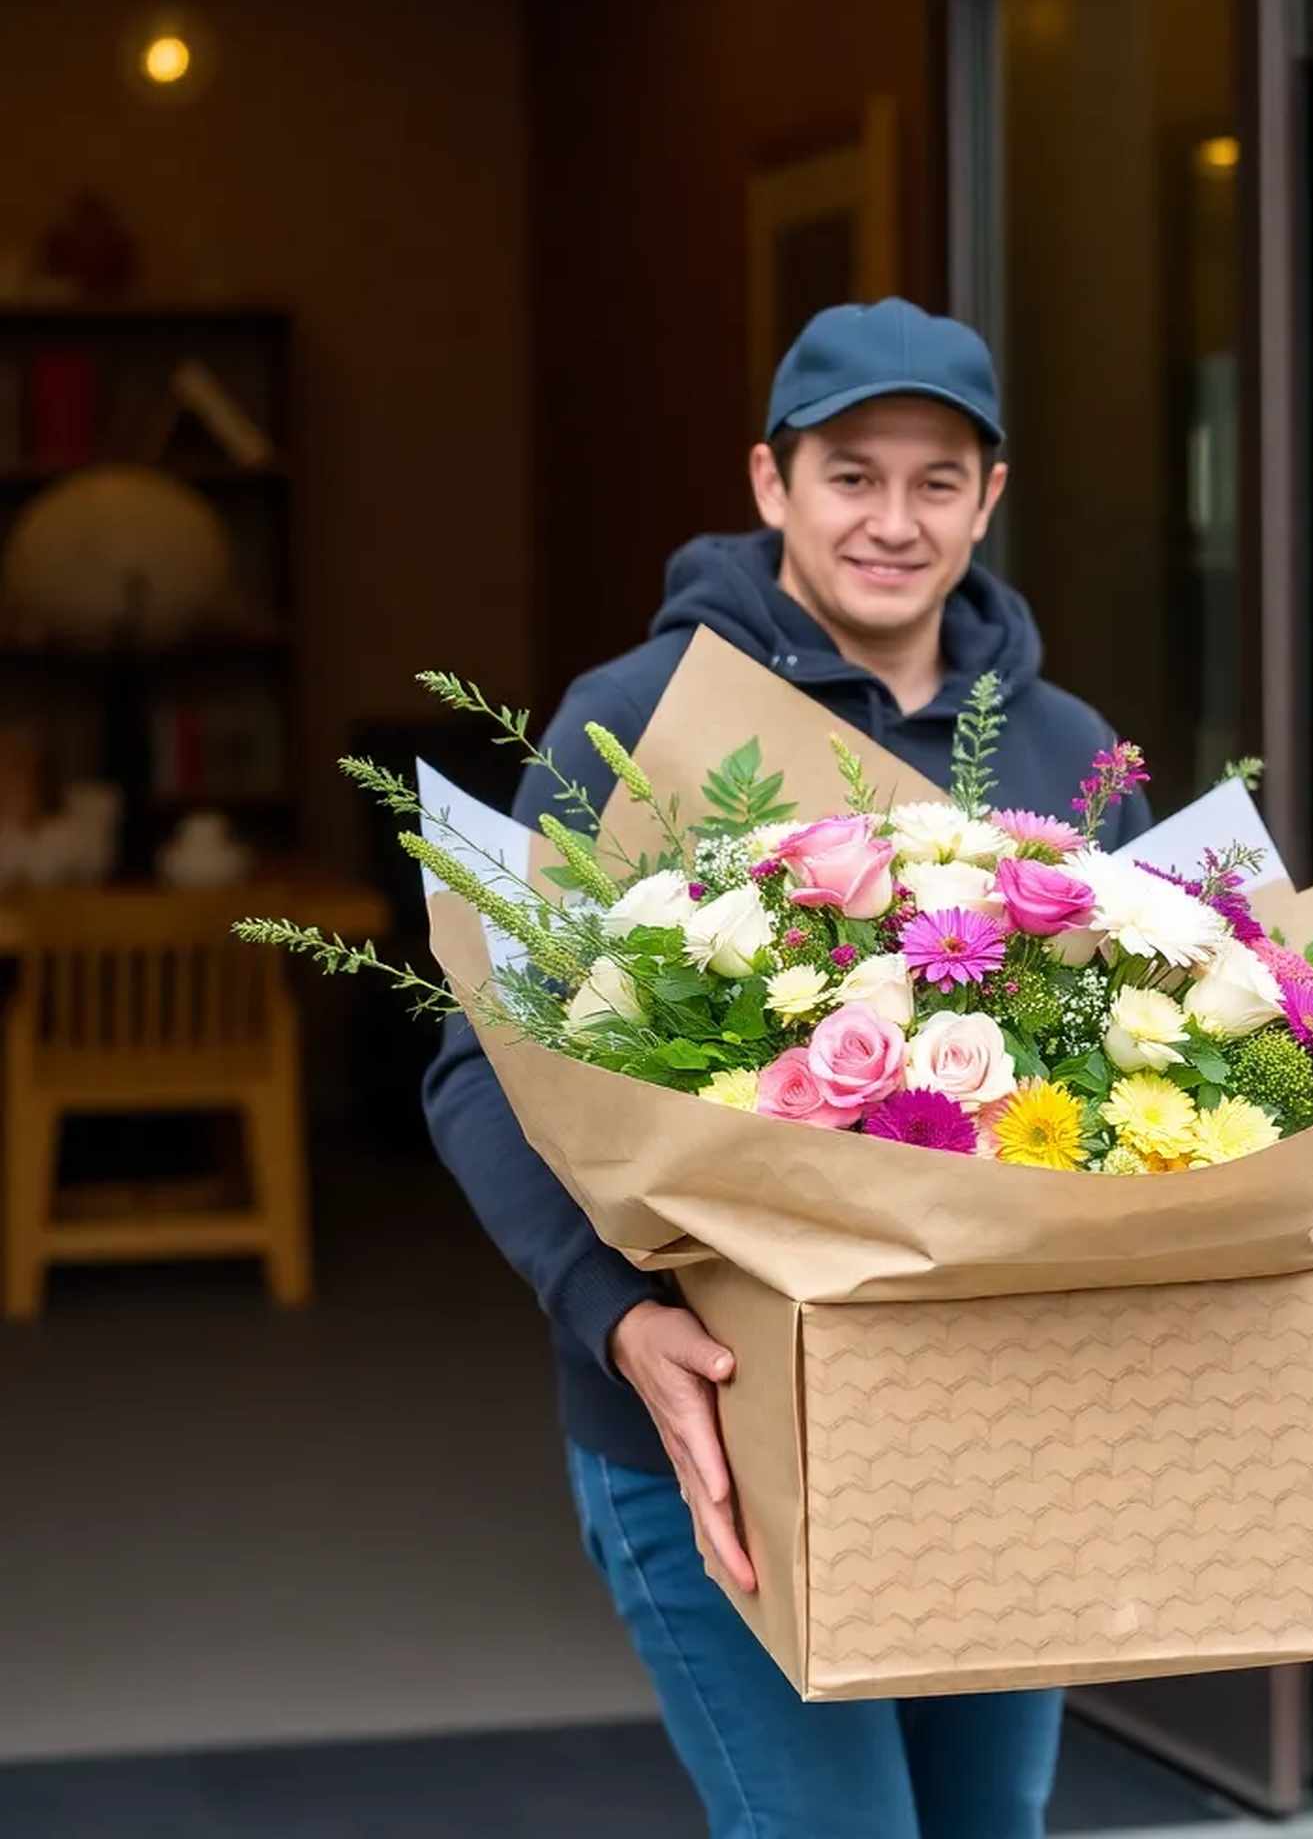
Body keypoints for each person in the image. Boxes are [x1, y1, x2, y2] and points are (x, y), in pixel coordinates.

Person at [423, 298, 1150, 1838]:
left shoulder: (1069, 754)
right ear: (772, 482)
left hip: (993, 1431)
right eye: (851, 475)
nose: (894, 521)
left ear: (989, 499)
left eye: (936, 481)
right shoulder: (639, 722)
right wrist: (615, 1317)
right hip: (713, 1423)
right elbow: (484, 1061)